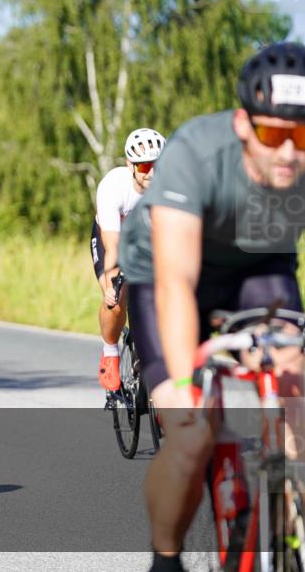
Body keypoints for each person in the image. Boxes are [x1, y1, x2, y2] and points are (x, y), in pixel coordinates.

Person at [119, 41, 305, 572]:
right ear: (244, 125)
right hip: (167, 270)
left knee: (295, 398)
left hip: (259, 265)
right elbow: (177, 281)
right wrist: (184, 386)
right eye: (272, 134)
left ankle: (288, 530)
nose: (287, 153)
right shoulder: (195, 154)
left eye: (301, 137)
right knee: (190, 431)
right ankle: (166, 558)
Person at [91, 128, 165, 390]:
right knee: (116, 299)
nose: (152, 173)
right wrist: (112, 285)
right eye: (145, 166)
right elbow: (112, 246)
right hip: (115, 239)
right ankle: (110, 351)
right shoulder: (113, 187)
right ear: (130, 165)